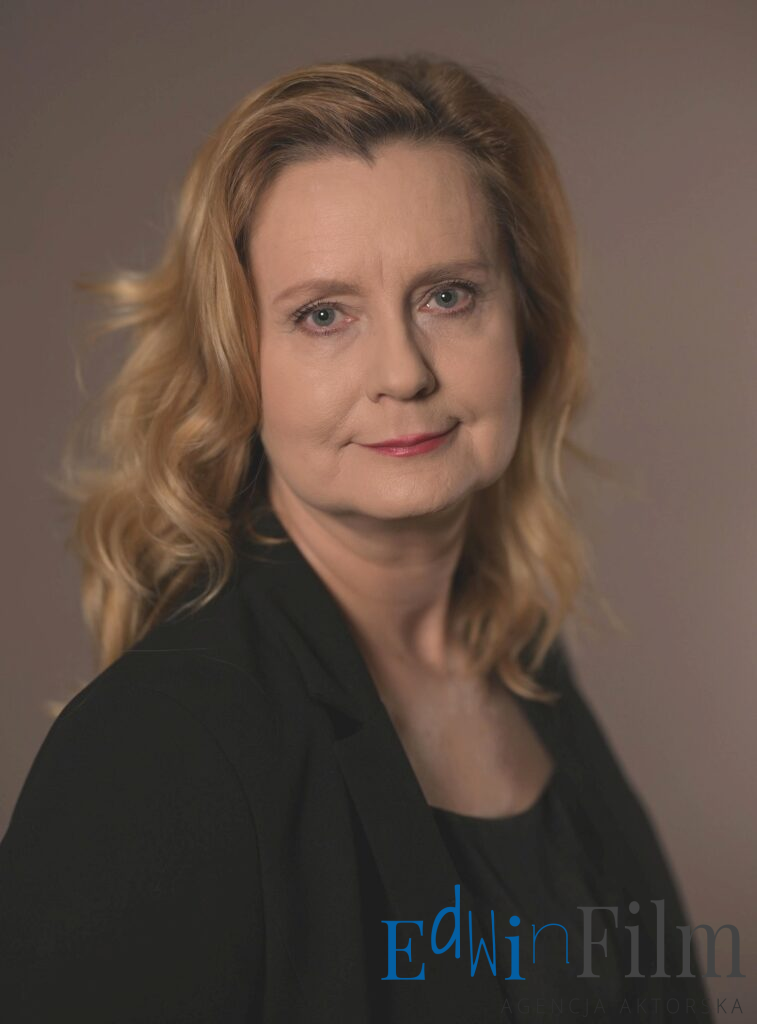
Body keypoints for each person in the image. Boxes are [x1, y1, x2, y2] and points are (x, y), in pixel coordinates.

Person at [0, 55, 709, 1023]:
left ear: (523, 323)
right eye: (324, 315)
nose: (403, 372)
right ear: (239, 364)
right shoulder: (156, 748)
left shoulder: (524, 665)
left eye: (447, 295)